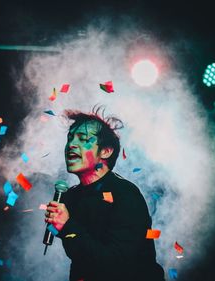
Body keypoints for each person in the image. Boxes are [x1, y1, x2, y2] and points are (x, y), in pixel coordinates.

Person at [45, 106, 165, 281]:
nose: (71, 145)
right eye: (70, 139)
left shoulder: (125, 194)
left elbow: (117, 265)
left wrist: (67, 225)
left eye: (83, 139)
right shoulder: (70, 197)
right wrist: (57, 226)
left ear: (106, 151)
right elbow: (82, 260)